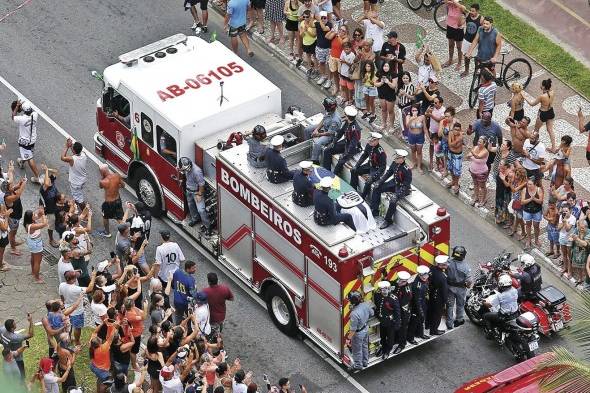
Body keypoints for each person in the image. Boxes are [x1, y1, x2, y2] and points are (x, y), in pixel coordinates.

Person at [370, 149, 412, 229]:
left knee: (393, 200)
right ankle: (375, 210)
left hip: (402, 188)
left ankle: (388, 220)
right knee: (377, 188)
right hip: (394, 183)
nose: (395, 158)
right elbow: (388, 174)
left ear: (402, 159)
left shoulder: (407, 169)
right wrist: (379, 182)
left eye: (397, 157)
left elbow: (406, 184)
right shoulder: (394, 163)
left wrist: (397, 195)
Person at [59, 270, 97, 345]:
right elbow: (89, 289)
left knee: (69, 326)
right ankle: (77, 341)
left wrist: (63, 303)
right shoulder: (75, 289)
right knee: (77, 327)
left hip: (67, 308)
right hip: (77, 311)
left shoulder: (62, 285)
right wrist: (93, 277)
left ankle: (68, 338)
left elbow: (61, 296)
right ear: (73, 279)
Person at [322, 105, 361, 176]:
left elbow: (353, 145)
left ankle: (334, 176)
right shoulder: (348, 122)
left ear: (347, 116)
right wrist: (334, 142)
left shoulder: (356, 129)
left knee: (341, 161)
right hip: (346, 143)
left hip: (352, 148)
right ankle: (326, 171)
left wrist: (344, 154)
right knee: (327, 150)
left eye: (345, 114)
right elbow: (341, 132)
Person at [178, 157, 212, 235]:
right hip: (189, 190)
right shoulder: (185, 167)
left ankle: (208, 226)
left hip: (196, 192)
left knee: (201, 210)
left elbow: (201, 184)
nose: (185, 171)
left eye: (186, 169)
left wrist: (199, 194)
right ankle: (195, 219)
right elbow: (183, 172)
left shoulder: (197, 171)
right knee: (191, 206)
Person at [304, 97, 342, 165]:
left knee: (318, 143)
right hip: (325, 127)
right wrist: (316, 129)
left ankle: (315, 160)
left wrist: (318, 134)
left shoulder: (335, 120)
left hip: (330, 135)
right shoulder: (329, 111)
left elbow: (330, 133)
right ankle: (308, 149)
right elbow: (324, 120)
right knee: (307, 130)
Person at [350, 132, 386, 199]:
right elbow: (364, 156)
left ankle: (363, 197)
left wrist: (373, 176)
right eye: (370, 140)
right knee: (354, 171)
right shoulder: (369, 145)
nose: (370, 142)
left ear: (377, 141)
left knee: (369, 181)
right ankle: (353, 189)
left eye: (372, 141)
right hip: (369, 165)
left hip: (377, 169)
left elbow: (383, 167)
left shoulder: (381, 152)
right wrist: (356, 166)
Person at [11, 99, 40, 183]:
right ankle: (22, 161)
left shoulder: (21, 119)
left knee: (30, 158)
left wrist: (17, 106)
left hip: (25, 141)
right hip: (32, 139)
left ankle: (37, 177)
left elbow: (13, 116)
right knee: (27, 153)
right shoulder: (35, 115)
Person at [525, 78, 556, 152]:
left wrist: (524, 96)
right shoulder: (552, 92)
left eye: (541, 85)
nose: (540, 86)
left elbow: (532, 104)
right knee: (550, 130)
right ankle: (553, 148)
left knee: (536, 130)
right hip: (550, 111)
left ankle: (532, 145)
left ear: (544, 87)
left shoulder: (542, 96)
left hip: (542, 113)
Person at [0, 313, 34, 380]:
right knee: (21, 376)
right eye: (14, 323)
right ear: (12, 328)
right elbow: (30, 334)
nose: (16, 323)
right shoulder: (15, 338)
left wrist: (1, 341)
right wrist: (30, 321)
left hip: (8, 356)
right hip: (17, 359)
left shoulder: (2, 330)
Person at [345, 291, 373, 371]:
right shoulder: (365, 305)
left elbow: (353, 330)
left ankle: (358, 365)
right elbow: (372, 313)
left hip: (358, 334)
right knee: (364, 346)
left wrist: (348, 339)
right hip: (365, 329)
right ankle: (365, 362)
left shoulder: (354, 314)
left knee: (357, 350)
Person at [446, 246, 471, 329]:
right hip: (461, 289)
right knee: (460, 305)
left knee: (450, 306)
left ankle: (449, 323)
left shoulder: (448, 262)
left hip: (450, 288)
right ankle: (459, 320)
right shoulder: (466, 267)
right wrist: (467, 285)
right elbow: (469, 282)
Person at [95, 164, 124, 238]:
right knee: (120, 218)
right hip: (118, 200)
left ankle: (107, 232)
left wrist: (102, 176)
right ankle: (126, 233)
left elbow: (101, 187)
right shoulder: (117, 175)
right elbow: (123, 185)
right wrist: (116, 186)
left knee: (105, 217)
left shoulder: (103, 181)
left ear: (102, 172)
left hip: (109, 203)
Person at [373, 281, 400, 359]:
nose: (383, 291)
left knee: (390, 338)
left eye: (385, 289)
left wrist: (397, 323)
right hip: (381, 320)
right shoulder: (377, 295)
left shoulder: (393, 298)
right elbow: (378, 306)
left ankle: (387, 351)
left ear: (389, 289)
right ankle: (383, 348)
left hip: (390, 322)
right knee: (382, 336)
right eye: (382, 289)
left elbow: (397, 312)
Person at [168, 260, 197, 324]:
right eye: (193, 268)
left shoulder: (177, 272)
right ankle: (189, 329)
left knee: (178, 316)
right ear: (187, 269)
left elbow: (173, 283)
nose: (195, 269)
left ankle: (177, 329)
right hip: (185, 303)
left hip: (176, 300)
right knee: (189, 316)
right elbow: (193, 294)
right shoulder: (191, 280)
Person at [3, 175, 26, 257]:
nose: (12, 186)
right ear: (7, 188)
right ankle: (13, 248)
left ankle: (14, 242)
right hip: (13, 218)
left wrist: (20, 183)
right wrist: (23, 186)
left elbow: (15, 188)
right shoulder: (8, 197)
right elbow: (17, 196)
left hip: (17, 216)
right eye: (11, 185)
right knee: (12, 234)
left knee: (14, 231)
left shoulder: (10, 190)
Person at [407, 265, 430, 344]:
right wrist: (420, 311)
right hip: (417, 307)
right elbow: (417, 300)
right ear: (419, 275)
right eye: (423, 276)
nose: (425, 277)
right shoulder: (418, 286)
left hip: (422, 303)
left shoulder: (423, 280)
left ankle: (420, 334)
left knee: (421, 321)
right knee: (414, 323)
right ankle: (410, 338)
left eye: (426, 275)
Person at [61, 139, 88, 206]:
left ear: (74, 150)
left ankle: (85, 212)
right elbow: (75, 152)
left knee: (79, 199)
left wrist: (67, 146)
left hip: (76, 183)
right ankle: (76, 200)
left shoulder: (72, 159)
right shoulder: (83, 154)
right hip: (82, 179)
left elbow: (62, 157)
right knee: (78, 193)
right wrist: (71, 146)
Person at [38, 164, 60, 247]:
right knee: (51, 225)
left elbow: (56, 171)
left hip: (57, 206)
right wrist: (46, 171)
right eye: (47, 180)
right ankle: (51, 239)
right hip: (50, 209)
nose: (49, 180)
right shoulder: (43, 189)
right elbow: (47, 184)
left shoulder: (51, 180)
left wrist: (48, 169)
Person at [460, 2, 483, 77]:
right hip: (466, 39)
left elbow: (483, 31)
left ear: (477, 11)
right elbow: (459, 24)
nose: (471, 12)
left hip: (475, 42)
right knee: (466, 57)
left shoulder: (481, 19)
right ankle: (466, 71)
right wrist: (463, 16)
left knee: (476, 58)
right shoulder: (468, 15)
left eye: (473, 11)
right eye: (470, 10)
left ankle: (477, 70)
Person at [427, 255, 449, 335]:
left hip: (432, 294)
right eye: (446, 263)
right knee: (437, 315)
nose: (447, 264)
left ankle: (427, 325)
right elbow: (444, 291)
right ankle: (434, 331)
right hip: (439, 298)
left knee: (430, 311)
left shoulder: (432, 269)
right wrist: (446, 301)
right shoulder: (442, 277)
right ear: (441, 265)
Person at [441, 0, 465, 70]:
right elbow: (444, 1)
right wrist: (451, 2)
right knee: (450, 45)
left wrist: (455, 3)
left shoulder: (461, 7)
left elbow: (463, 8)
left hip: (458, 29)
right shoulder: (449, 4)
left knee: (459, 47)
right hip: (450, 27)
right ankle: (450, 60)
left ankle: (459, 62)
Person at [392, 271, 412, 354]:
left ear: (405, 281)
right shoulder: (398, 285)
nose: (398, 283)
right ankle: (396, 340)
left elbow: (401, 303)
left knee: (402, 329)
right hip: (396, 311)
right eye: (398, 280)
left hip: (403, 313)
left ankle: (402, 344)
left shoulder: (407, 291)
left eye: (401, 281)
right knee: (396, 327)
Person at [375, 61, 398, 134]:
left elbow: (394, 86)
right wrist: (381, 82)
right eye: (384, 66)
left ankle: (391, 126)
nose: (385, 68)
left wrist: (388, 82)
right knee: (383, 110)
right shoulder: (379, 72)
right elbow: (375, 83)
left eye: (387, 66)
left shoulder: (393, 74)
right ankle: (384, 124)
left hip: (390, 95)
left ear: (390, 67)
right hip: (382, 94)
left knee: (390, 111)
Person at [521, 178, 544, 249]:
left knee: (536, 226)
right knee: (528, 225)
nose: (528, 185)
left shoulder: (539, 190)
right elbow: (522, 202)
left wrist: (534, 199)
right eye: (528, 184)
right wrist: (530, 199)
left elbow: (541, 201)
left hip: (537, 211)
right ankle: (529, 239)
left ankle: (536, 239)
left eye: (530, 184)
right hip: (527, 211)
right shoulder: (525, 190)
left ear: (535, 184)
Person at [467, 135, 489, 207]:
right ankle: (476, 197)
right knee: (475, 184)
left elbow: (477, 156)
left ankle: (483, 199)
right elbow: (469, 156)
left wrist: (471, 151)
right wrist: (470, 154)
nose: (478, 142)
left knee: (482, 187)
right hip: (473, 170)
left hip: (481, 172)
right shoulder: (476, 147)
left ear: (484, 143)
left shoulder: (485, 151)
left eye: (480, 141)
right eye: (478, 141)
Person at [425, 95, 445, 171]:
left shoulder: (443, 110)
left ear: (441, 103)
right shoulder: (432, 107)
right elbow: (426, 114)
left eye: (436, 103)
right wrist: (428, 111)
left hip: (439, 132)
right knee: (431, 146)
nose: (434, 104)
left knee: (439, 148)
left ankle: (440, 163)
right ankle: (431, 162)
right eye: (434, 102)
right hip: (432, 130)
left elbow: (439, 120)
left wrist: (431, 115)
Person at [314, 11, 332, 86]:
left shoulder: (329, 24)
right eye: (322, 18)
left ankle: (329, 79)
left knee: (328, 65)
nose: (323, 19)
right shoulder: (317, 24)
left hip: (328, 48)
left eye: (324, 18)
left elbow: (325, 29)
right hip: (319, 47)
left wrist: (319, 20)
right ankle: (323, 76)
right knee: (321, 63)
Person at [558, 204, 576, 278]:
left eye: (566, 211)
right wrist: (563, 221)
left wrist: (565, 221)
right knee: (564, 254)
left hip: (569, 238)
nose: (565, 212)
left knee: (569, 256)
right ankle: (565, 267)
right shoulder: (561, 217)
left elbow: (568, 229)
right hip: (562, 237)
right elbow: (558, 228)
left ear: (570, 211)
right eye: (563, 211)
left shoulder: (573, 218)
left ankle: (570, 270)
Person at [571, 220, 590, 285]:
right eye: (580, 227)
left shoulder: (589, 232)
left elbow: (585, 244)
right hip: (577, 251)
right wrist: (572, 238)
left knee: (586, 267)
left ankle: (586, 279)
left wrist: (576, 239)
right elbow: (571, 236)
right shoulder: (577, 229)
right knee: (578, 266)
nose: (581, 229)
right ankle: (580, 278)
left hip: (585, 253)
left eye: (583, 228)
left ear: (586, 227)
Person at [447, 122, 464, 194]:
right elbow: (450, 144)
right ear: (453, 129)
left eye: (458, 130)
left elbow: (456, 146)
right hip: (450, 153)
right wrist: (456, 141)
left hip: (457, 155)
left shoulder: (461, 136)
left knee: (457, 171)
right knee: (450, 168)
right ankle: (453, 181)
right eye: (455, 129)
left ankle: (456, 184)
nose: (456, 131)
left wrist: (454, 142)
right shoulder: (450, 133)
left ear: (460, 130)